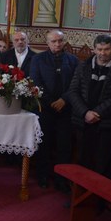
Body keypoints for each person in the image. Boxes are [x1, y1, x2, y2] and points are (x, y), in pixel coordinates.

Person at [66, 35, 111, 180]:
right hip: (83, 121)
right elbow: (73, 91)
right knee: (83, 160)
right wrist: (85, 112)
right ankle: (81, 191)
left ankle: (100, 194)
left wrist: (97, 113)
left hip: (107, 122)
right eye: (99, 49)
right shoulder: (83, 66)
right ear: (94, 49)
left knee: (103, 163)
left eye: (106, 49)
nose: (103, 53)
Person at [30, 30, 79, 189]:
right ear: (47, 43)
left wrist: (64, 99)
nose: (57, 44)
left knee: (64, 146)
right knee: (44, 143)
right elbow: (36, 83)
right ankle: (42, 175)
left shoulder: (73, 60)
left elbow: (76, 83)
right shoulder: (38, 59)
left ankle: (61, 179)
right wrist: (51, 102)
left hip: (66, 108)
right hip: (45, 108)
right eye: (54, 41)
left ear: (64, 41)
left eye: (60, 41)